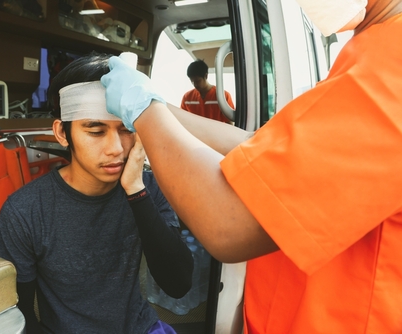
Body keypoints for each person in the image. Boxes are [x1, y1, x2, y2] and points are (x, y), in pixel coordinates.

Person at [100, 0, 402, 333]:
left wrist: (144, 112)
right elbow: (260, 145)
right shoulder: (369, 50)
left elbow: (229, 223)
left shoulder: (393, 64)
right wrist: (157, 106)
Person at [0, 53, 193, 334]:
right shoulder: (25, 212)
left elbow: (178, 284)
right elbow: (19, 313)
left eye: (125, 130)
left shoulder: (146, 187)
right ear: (63, 133)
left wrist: (135, 190)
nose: (115, 148)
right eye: (96, 131)